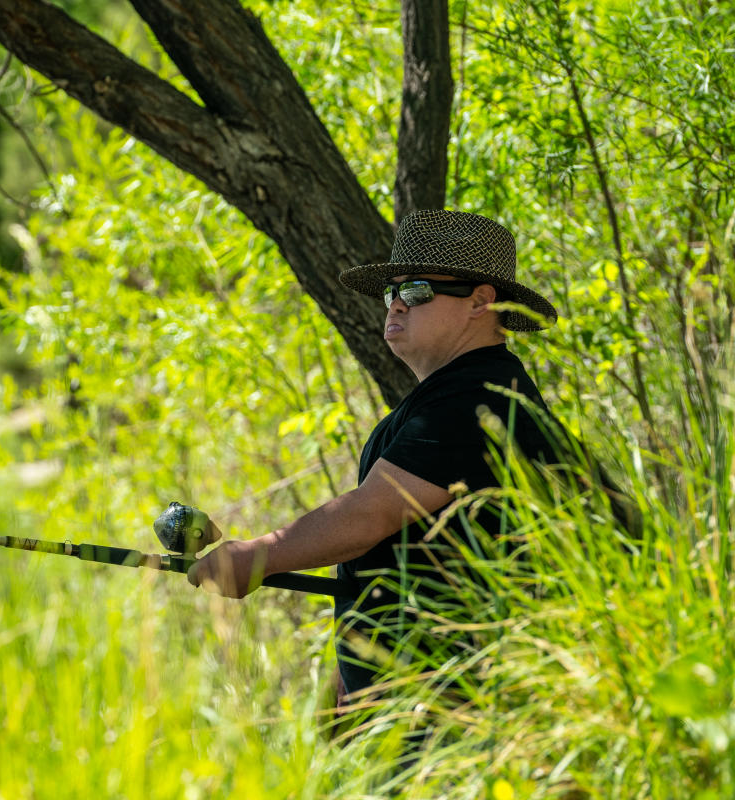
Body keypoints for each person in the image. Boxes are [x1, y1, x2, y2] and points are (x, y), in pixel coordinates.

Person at [186, 209, 631, 703]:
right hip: (416, 704)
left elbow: (369, 516)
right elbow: (401, 557)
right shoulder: (450, 397)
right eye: (391, 291)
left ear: (480, 302)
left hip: (461, 704)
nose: (396, 304)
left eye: (417, 291)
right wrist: (346, 688)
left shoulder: (477, 397)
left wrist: (258, 555)